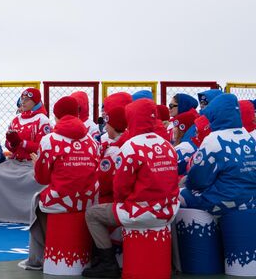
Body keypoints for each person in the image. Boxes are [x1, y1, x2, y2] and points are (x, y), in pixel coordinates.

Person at [83, 99, 179, 278]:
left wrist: (121, 203)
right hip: (168, 211)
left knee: (92, 213)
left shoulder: (131, 146)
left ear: (132, 117)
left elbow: (120, 188)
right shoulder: (167, 145)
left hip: (139, 213)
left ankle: (107, 263)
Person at [19, 96, 99, 271]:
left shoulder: (50, 139)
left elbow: (42, 179)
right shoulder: (92, 140)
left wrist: (37, 164)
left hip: (61, 200)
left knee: (37, 201)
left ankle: (37, 259)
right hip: (89, 199)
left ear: (56, 116)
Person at [0, 88, 50, 224]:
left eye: (28, 99)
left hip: (31, 162)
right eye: (22, 99)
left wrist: (22, 143)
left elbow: (42, 146)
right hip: (15, 161)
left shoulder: (43, 120)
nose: (23, 102)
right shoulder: (16, 119)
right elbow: (8, 144)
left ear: (36, 101)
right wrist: (13, 143)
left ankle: (29, 214)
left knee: (32, 179)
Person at [180, 94, 256, 215]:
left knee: (180, 195)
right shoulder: (249, 137)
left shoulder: (214, 139)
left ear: (216, 113)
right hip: (251, 200)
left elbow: (198, 180)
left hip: (225, 201)